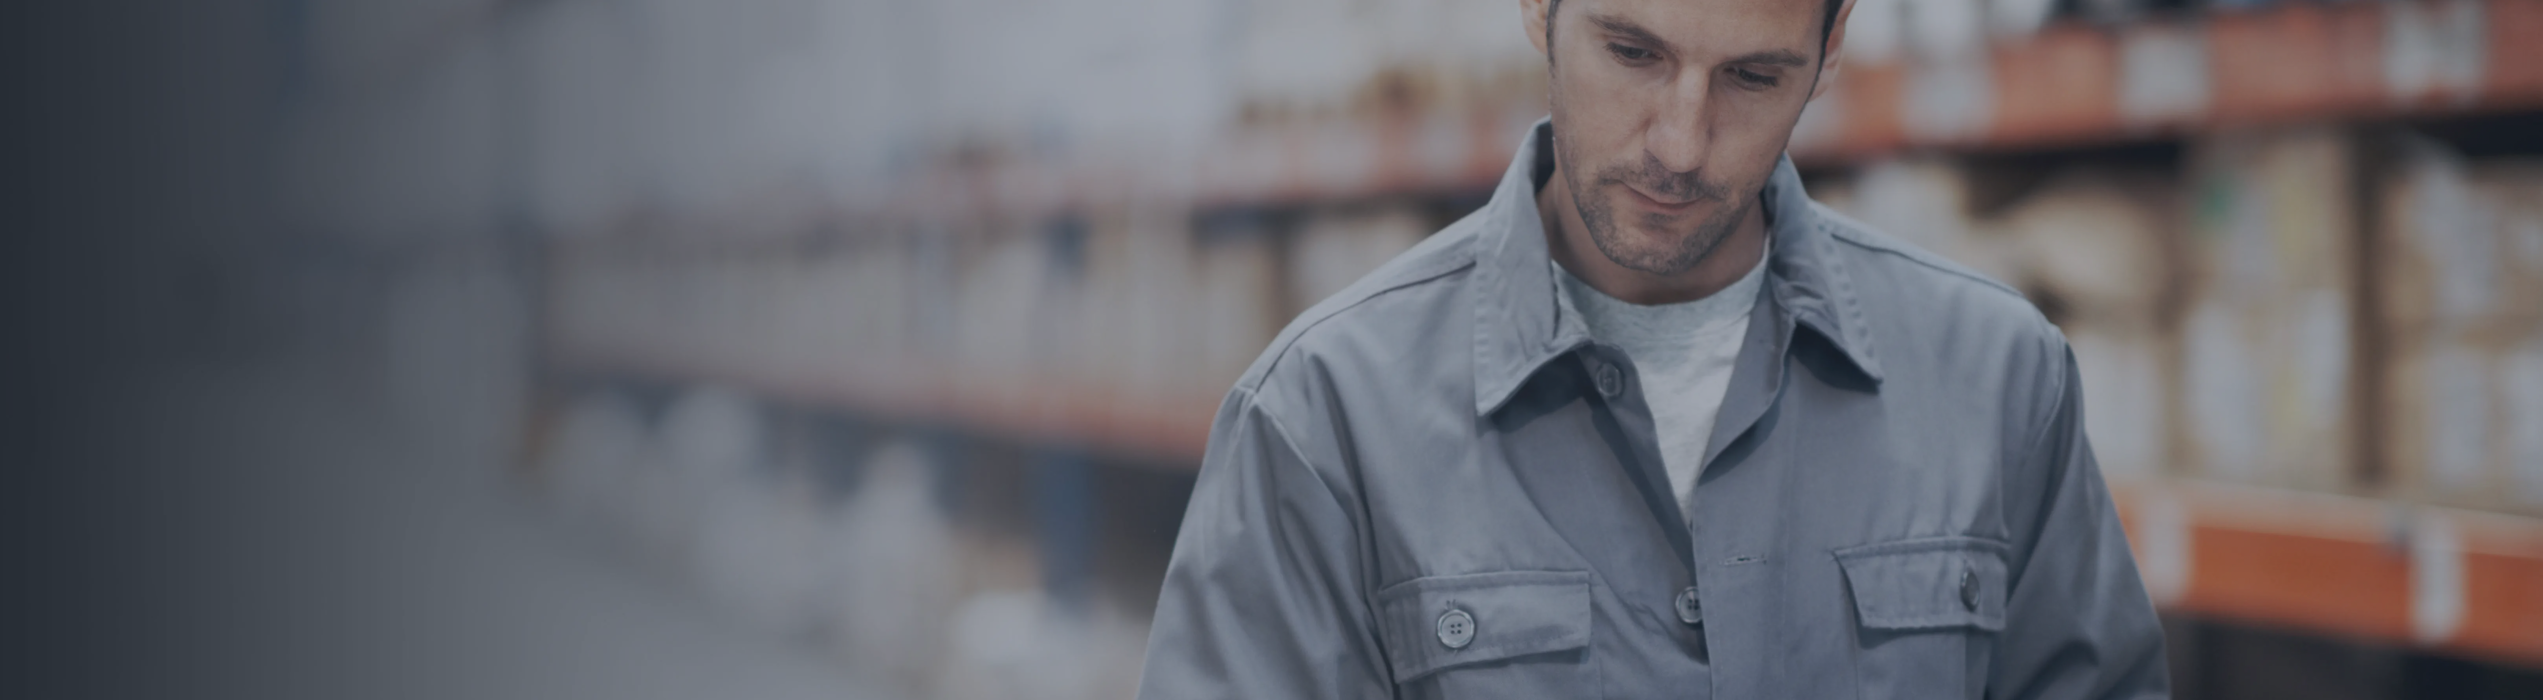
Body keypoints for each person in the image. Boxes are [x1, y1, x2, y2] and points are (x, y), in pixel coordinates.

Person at [1135, 0, 2170, 697]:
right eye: (1633, 54)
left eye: (1753, 76)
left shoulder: (1998, 381)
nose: (1679, 142)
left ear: (1834, 42)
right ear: (1539, 9)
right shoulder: (1321, 420)